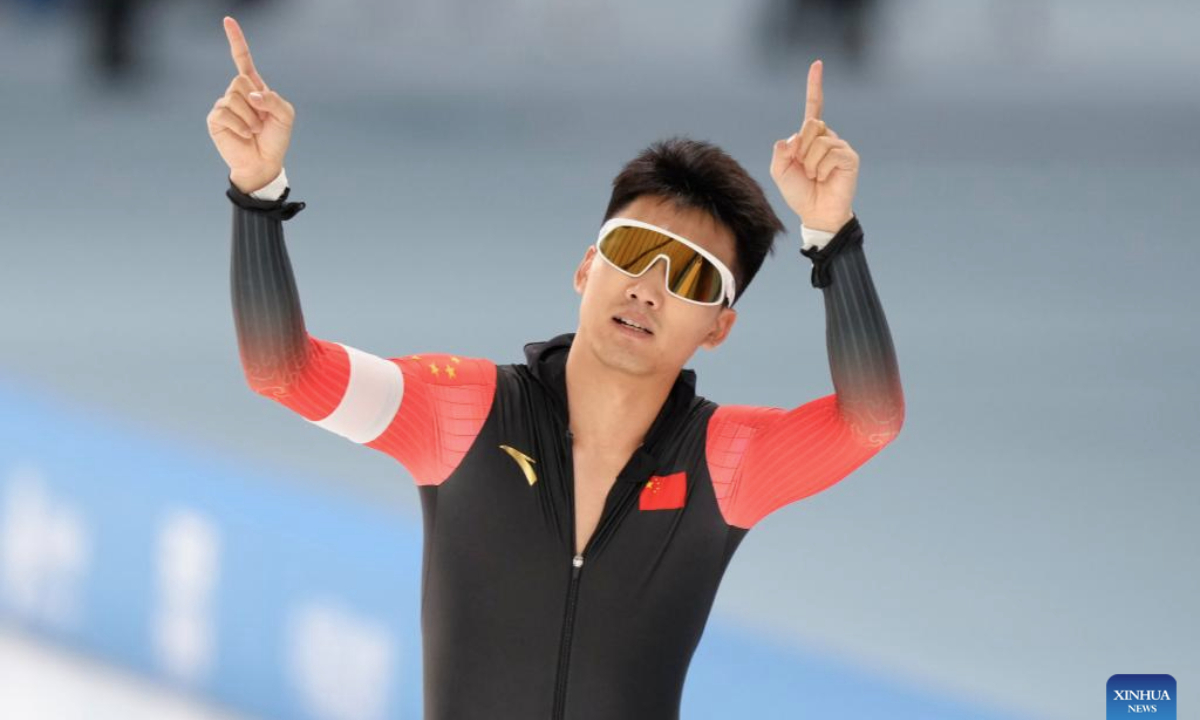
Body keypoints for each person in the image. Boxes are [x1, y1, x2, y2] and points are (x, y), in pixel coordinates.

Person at [208, 15, 904, 720]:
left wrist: (834, 239)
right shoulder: (463, 411)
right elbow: (281, 369)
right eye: (632, 249)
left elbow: (870, 421)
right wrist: (257, 191)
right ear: (585, 269)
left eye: (691, 276)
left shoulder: (726, 463)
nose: (648, 287)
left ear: (719, 329)